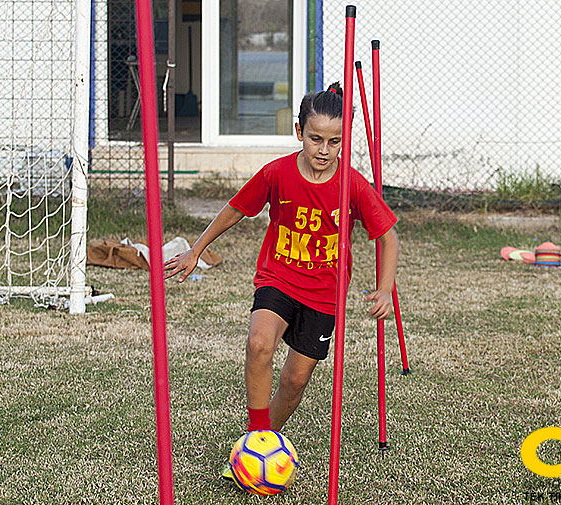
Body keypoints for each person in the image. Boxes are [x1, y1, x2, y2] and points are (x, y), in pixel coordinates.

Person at [164, 82, 399, 440]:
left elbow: (387, 236)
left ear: (344, 140)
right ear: (299, 132)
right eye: (315, 138)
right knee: (259, 344)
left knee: (294, 380)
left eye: (334, 142)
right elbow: (236, 209)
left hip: (324, 292)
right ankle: (255, 440)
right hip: (279, 277)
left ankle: (264, 441)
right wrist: (196, 250)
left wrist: (384, 289)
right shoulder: (277, 173)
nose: (323, 150)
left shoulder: (352, 185)